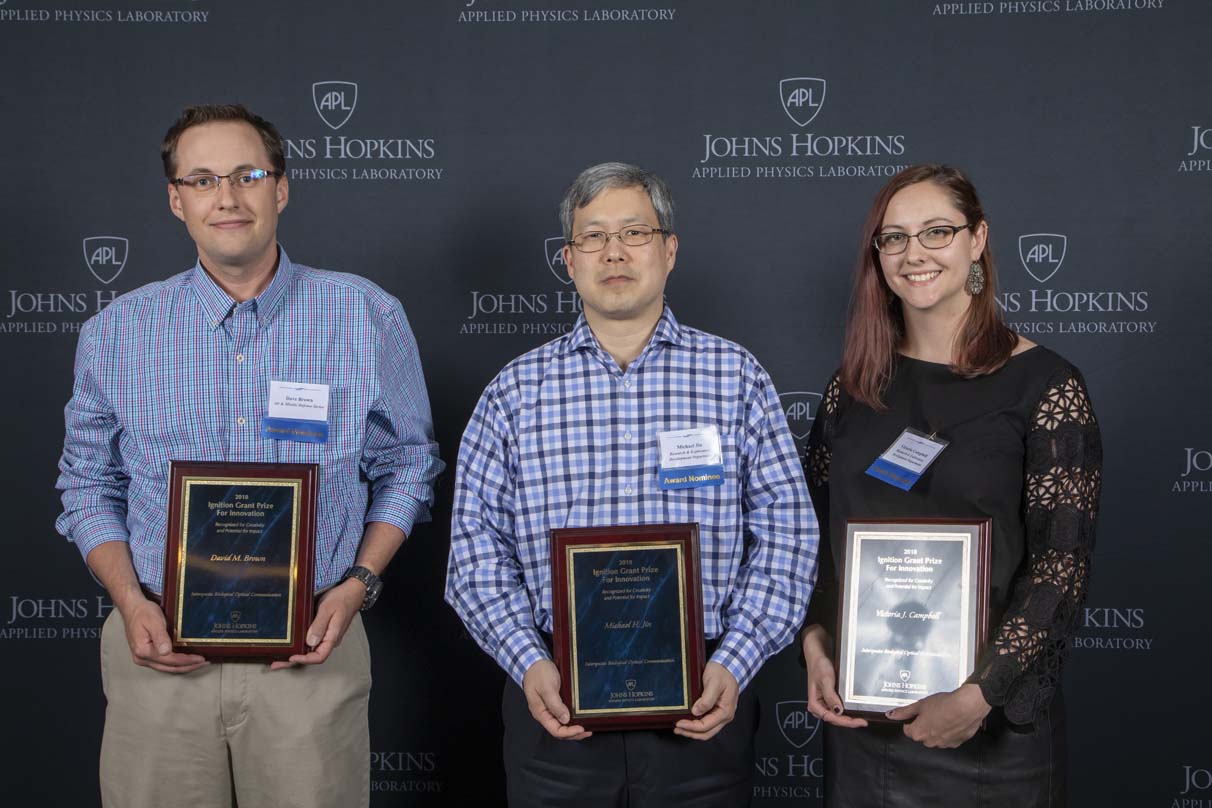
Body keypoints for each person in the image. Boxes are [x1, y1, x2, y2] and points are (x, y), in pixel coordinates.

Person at [55, 103, 443, 808]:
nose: (227, 198)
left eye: (247, 175)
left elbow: (409, 466)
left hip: (312, 658)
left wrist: (357, 583)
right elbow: (86, 484)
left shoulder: (365, 315)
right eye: (202, 180)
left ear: (281, 188)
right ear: (176, 200)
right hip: (157, 654)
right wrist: (124, 600)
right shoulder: (117, 331)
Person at [446, 162, 818, 806]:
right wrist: (528, 661)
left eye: (635, 232)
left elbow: (788, 534)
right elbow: (474, 551)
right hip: (555, 699)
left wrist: (736, 659)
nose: (613, 251)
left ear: (669, 250)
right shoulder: (513, 393)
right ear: (568, 259)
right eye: (593, 237)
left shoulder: (735, 378)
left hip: (703, 698)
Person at [800, 163, 1101, 806]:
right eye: (894, 238)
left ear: (978, 240)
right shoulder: (849, 392)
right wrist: (815, 641)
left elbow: (1061, 567)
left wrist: (979, 694)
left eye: (937, 232)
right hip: (864, 726)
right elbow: (811, 536)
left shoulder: (1046, 386)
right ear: (877, 255)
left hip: (989, 731)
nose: (915, 254)